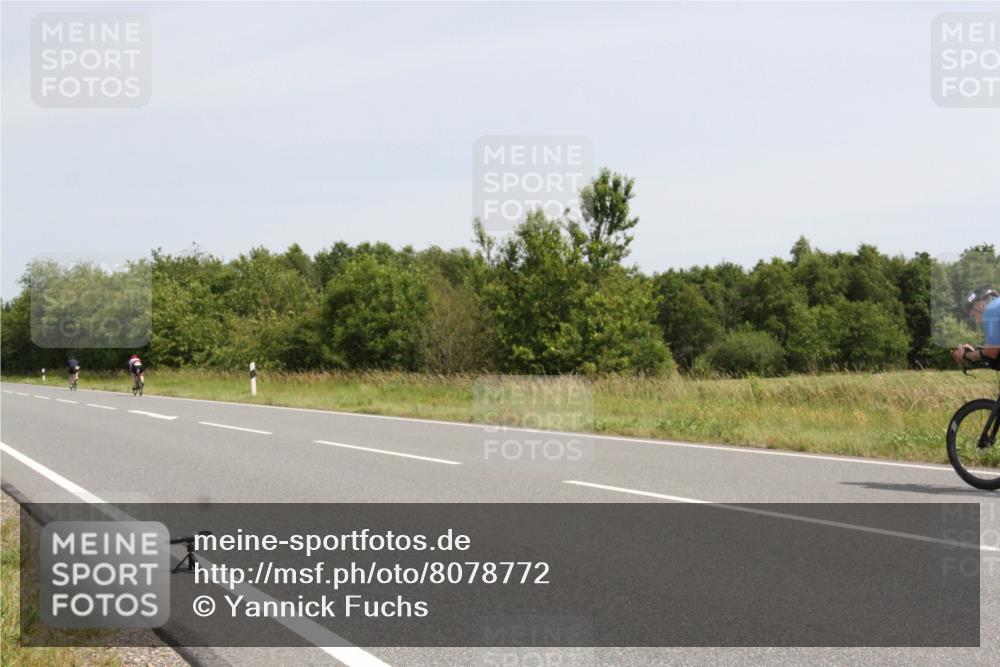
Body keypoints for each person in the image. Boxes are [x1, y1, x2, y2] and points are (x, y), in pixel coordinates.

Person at [952, 286, 1000, 367]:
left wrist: (965, 355)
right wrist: (977, 351)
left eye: (973, 315)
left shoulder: (991, 312)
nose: (977, 321)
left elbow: (990, 353)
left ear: (980, 306)